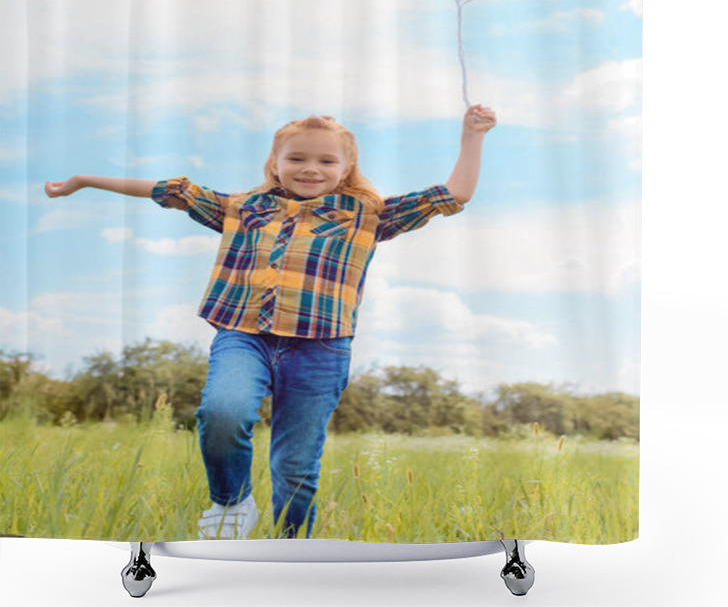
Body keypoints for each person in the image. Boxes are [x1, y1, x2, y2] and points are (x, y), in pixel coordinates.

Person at [44, 104, 497, 540]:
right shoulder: (242, 208)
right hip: (245, 335)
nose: (310, 168)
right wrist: (84, 180)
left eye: (325, 160)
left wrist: (471, 136)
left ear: (346, 167)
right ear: (275, 163)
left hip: (320, 347)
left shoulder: (368, 214)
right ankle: (230, 502)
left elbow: (453, 194)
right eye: (296, 157)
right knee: (222, 411)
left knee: (295, 466)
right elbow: (170, 191)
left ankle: (289, 548)